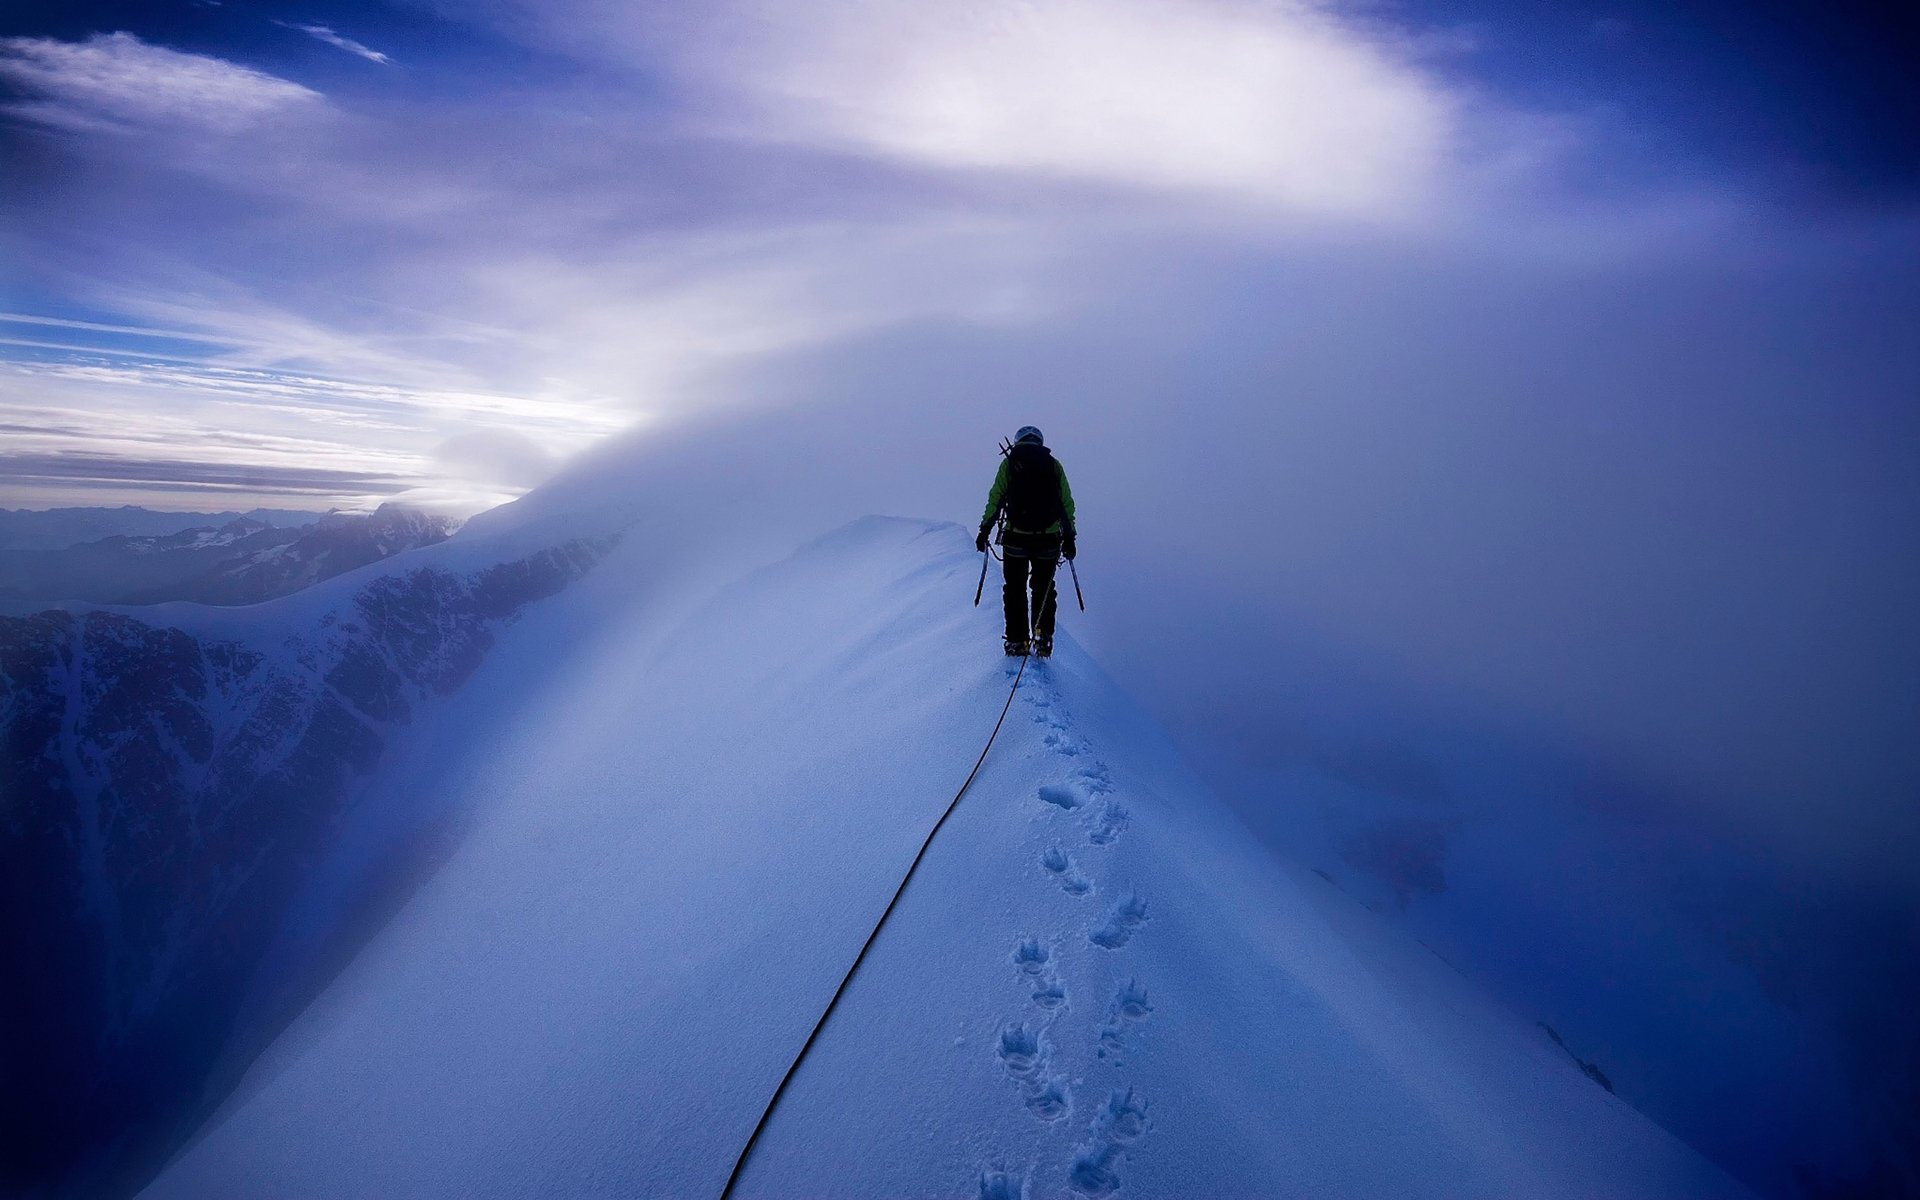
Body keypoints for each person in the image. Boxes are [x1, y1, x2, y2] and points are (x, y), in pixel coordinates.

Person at [976, 425, 1076, 657]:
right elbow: (1066, 503)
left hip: (1015, 539)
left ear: (1018, 441)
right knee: (1044, 589)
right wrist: (1070, 537)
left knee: (1014, 589)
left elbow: (996, 498)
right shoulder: (1053, 465)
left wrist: (984, 530)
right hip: (1048, 540)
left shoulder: (1010, 463)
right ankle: (1042, 636)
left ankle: (1016, 641)